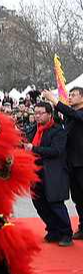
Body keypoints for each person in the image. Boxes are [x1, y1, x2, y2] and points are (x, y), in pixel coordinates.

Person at [26, 102, 73, 246]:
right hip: (35, 172)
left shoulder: (58, 131)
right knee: (39, 203)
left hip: (53, 173)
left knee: (55, 203)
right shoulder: (33, 129)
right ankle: (53, 230)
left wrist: (34, 148)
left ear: (49, 114)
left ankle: (66, 233)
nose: (37, 116)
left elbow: (57, 151)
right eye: (35, 113)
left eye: (41, 113)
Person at [45, 87, 83, 239]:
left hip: (82, 162)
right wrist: (53, 106)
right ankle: (82, 225)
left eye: (74, 95)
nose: (71, 97)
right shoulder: (70, 116)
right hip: (71, 162)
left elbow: (73, 114)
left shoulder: (79, 114)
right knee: (78, 198)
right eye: (70, 95)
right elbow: (62, 122)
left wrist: (56, 100)